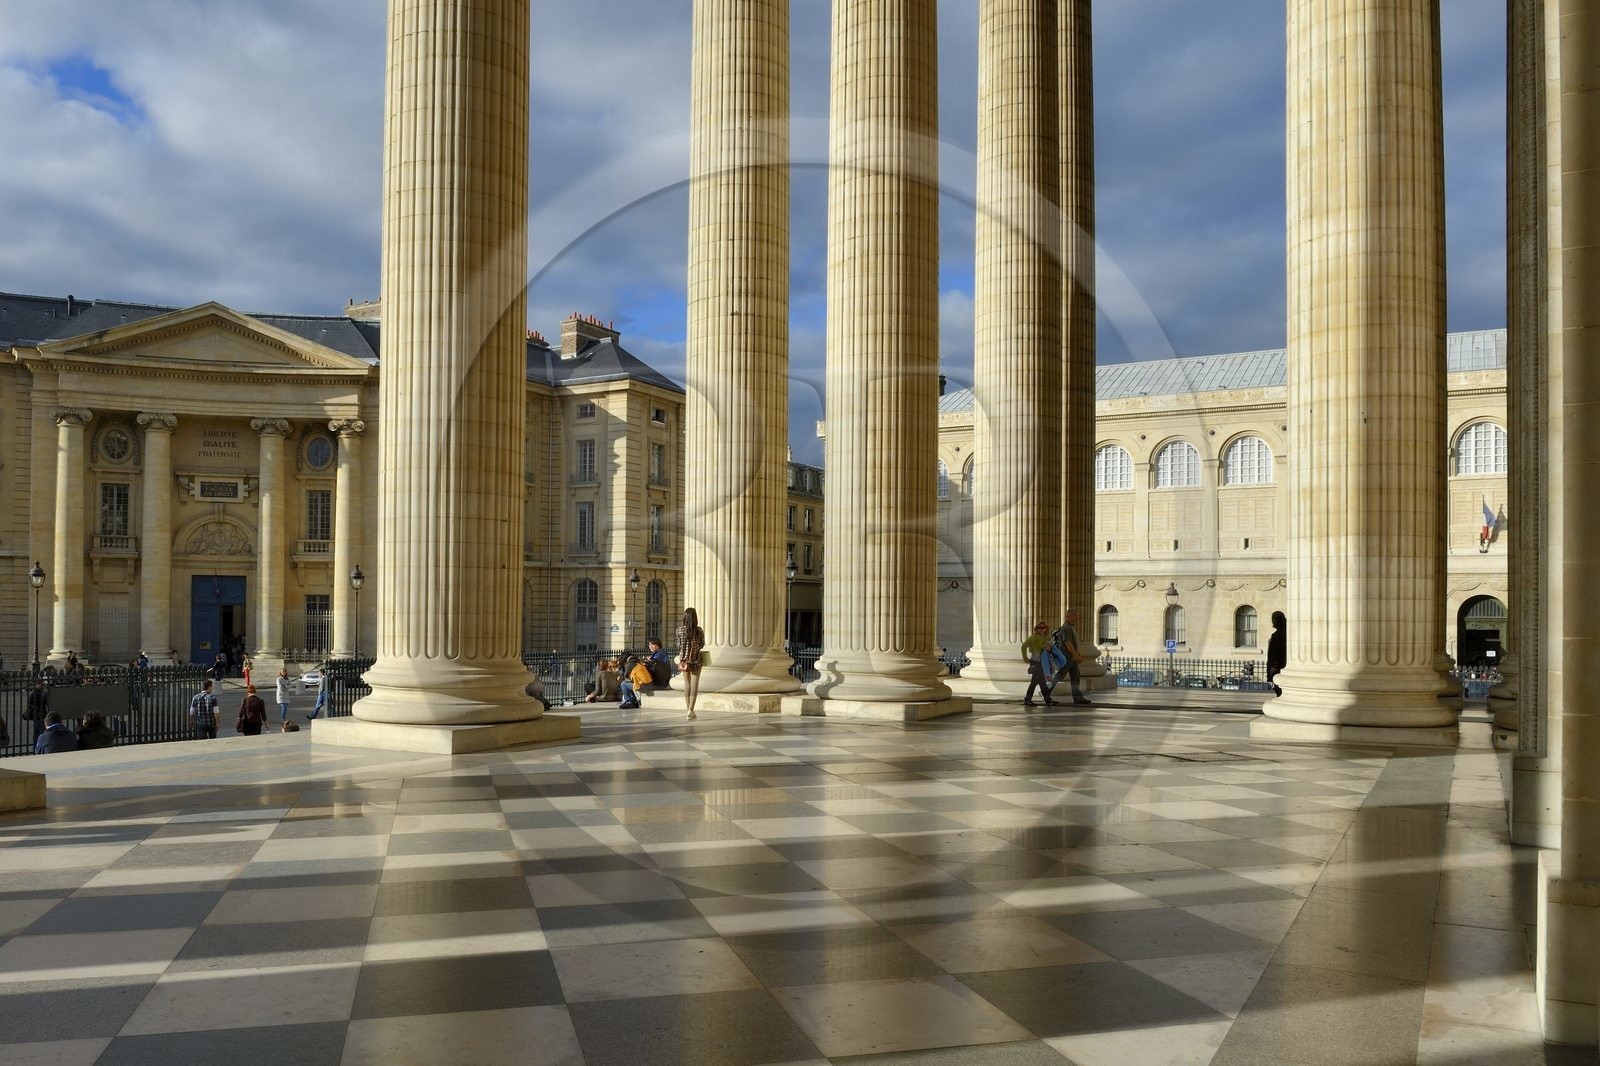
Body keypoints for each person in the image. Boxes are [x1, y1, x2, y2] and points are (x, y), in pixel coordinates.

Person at [1051, 609, 1092, 706]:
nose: (1077, 618)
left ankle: (1078, 697)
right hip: (1067, 658)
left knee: (1075, 677)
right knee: (1059, 676)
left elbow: (1072, 643)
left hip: (1072, 658)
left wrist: (1077, 654)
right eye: (1075, 616)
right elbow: (1068, 643)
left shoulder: (1071, 627)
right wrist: (1075, 655)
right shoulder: (1066, 628)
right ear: (1069, 616)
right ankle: (1046, 692)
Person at [676, 606, 705, 719]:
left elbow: (678, 646)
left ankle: (687, 709)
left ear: (684, 617)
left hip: (684, 661)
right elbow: (702, 644)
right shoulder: (699, 631)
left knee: (687, 686)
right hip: (696, 661)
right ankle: (691, 710)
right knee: (694, 686)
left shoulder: (679, 630)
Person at [1020, 623, 1057, 707]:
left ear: (1046, 629)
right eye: (1039, 628)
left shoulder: (1045, 637)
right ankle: (1047, 700)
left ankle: (1029, 699)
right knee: (1041, 682)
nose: (1041, 629)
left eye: (1043, 627)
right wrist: (1025, 657)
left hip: (1042, 662)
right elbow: (1024, 646)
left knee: (1036, 682)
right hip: (1036, 662)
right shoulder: (1035, 637)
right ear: (1036, 629)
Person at [1266, 610, 1288, 697]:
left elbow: (1274, 654)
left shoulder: (1276, 636)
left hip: (1278, 668)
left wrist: (1272, 668)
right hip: (1284, 666)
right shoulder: (1288, 634)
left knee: (1280, 692)